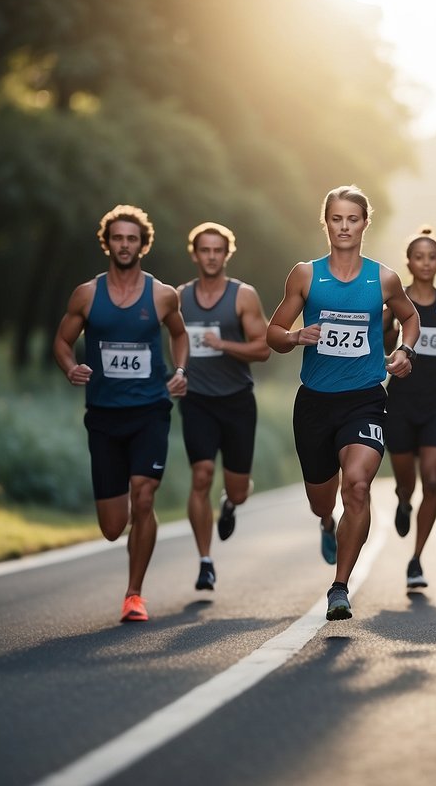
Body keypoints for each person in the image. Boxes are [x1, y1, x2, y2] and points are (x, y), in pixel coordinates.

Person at [266, 184, 420, 620]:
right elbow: (272, 333)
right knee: (322, 498)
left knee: (357, 485)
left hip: (365, 399)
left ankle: (339, 586)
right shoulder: (305, 275)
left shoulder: (383, 278)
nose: (345, 226)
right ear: (327, 223)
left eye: (353, 219)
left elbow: (410, 316)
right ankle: (325, 521)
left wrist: (405, 351)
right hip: (315, 402)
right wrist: (296, 335)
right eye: (337, 218)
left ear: (364, 223)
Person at [54, 205, 190, 623]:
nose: (125, 245)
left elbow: (180, 335)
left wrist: (181, 370)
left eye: (132, 238)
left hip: (150, 410)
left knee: (144, 495)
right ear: (107, 243)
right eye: (118, 238)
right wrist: (70, 366)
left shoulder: (163, 294)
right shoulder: (87, 294)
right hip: (104, 414)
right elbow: (62, 341)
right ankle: (133, 528)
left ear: (143, 244)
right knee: (114, 526)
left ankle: (134, 594)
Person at [177, 222, 270, 593]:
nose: (211, 256)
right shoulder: (179, 297)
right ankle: (205, 561)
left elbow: (263, 348)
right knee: (200, 475)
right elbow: (168, 337)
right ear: (195, 254)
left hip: (236, 401)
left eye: (218, 250)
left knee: (239, 490)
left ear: (226, 254)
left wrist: (223, 345)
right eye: (205, 250)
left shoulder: (243, 296)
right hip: (197, 399)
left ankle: (230, 503)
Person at [382, 225, 436, 590]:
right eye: (419, 257)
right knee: (407, 483)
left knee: (431, 481)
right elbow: (383, 335)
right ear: (409, 262)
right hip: (401, 403)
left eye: (431, 257)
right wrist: (391, 334)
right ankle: (403, 501)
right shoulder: (396, 299)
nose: (425, 263)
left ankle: (416, 560)